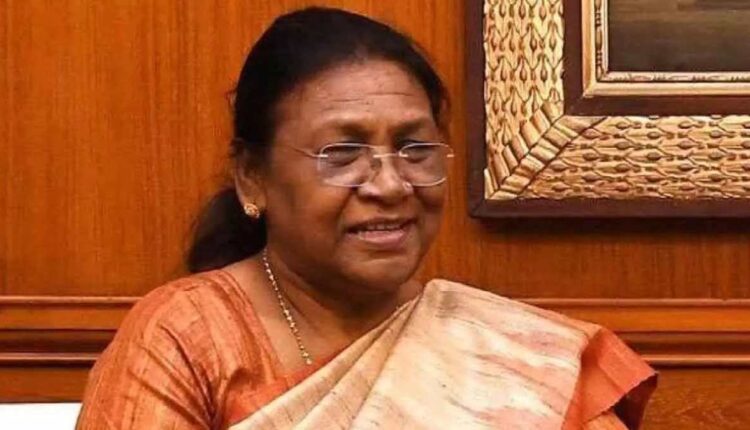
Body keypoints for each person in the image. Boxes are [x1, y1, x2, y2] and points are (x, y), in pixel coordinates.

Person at [76, 7, 656, 429]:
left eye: (415, 148)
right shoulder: (187, 338)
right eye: (342, 154)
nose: (390, 184)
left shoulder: (512, 356)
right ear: (253, 177)